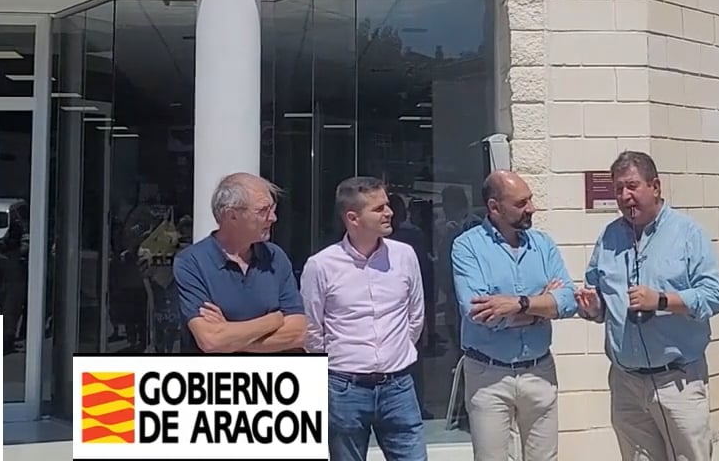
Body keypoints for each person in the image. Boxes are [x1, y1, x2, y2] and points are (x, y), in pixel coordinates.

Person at [575, 151, 719, 461]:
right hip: (626, 382)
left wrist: (661, 300)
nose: (624, 196)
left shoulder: (688, 233)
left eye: (632, 186)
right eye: (618, 189)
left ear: (655, 186)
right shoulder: (608, 237)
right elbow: (601, 296)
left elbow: (715, 296)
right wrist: (594, 308)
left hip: (677, 382)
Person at [450, 170, 576, 461]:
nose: (531, 207)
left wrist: (518, 304)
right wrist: (541, 308)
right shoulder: (467, 246)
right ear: (495, 207)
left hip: (539, 371)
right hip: (488, 374)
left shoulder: (543, 245)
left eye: (529, 199)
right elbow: (478, 313)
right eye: (521, 203)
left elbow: (567, 301)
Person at [300, 176, 426, 461]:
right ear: (353, 218)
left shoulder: (404, 256)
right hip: (345, 389)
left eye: (388, 205)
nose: (389, 212)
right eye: (379, 208)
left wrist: (397, 352)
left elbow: (415, 315)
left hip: (399, 385)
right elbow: (312, 329)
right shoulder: (321, 266)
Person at [172, 172, 306, 353]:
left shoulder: (275, 257)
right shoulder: (191, 262)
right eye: (263, 210)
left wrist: (230, 336)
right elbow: (211, 340)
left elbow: (298, 333)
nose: (273, 218)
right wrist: (273, 320)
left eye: (272, 209)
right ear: (232, 216)